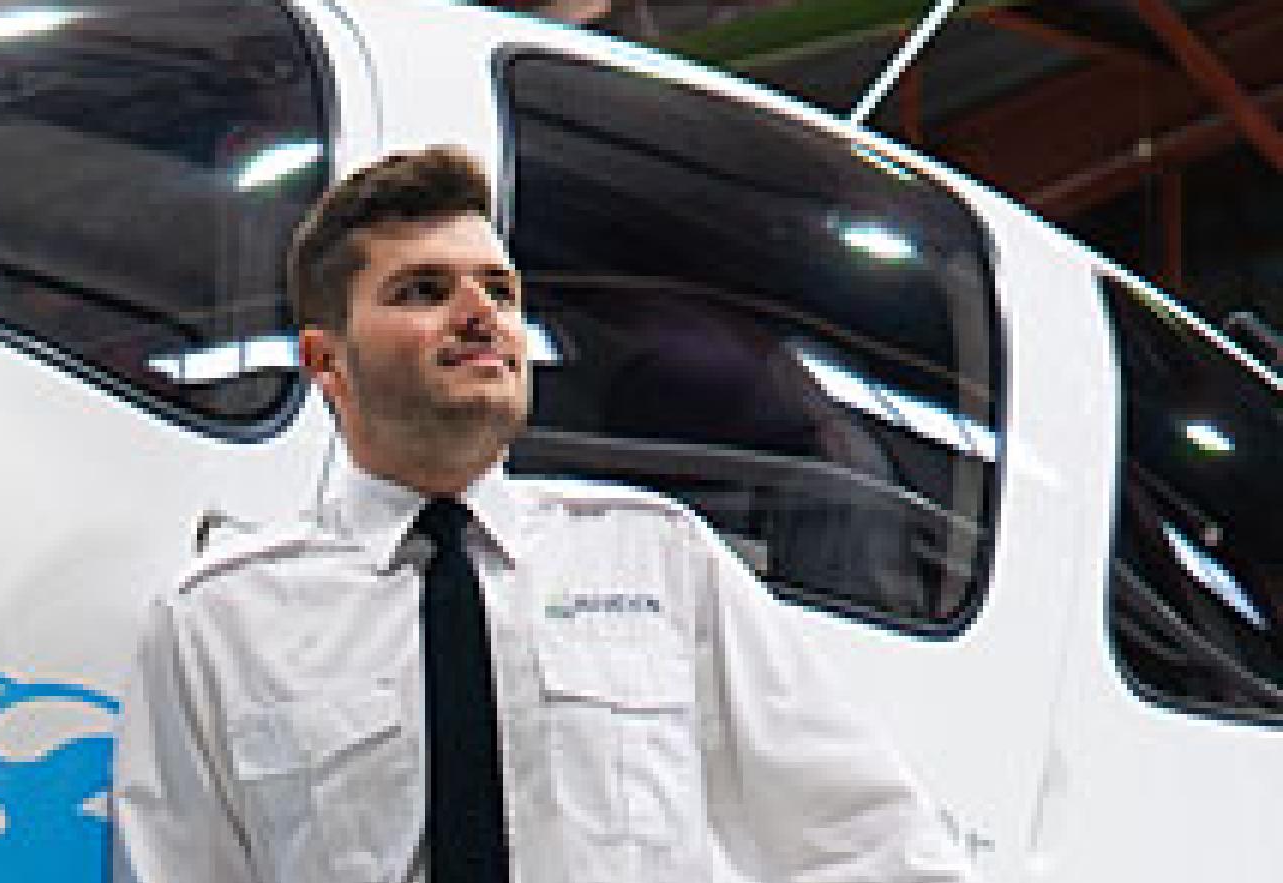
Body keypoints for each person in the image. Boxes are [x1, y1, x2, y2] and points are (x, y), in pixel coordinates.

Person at [110, 146, 972, 883]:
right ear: (325, 360)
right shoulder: (216, 625)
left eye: (500, 288)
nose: (481, 313)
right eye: (422, 290)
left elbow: (874, 843)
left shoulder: (659, 562)